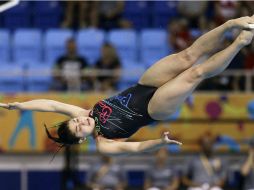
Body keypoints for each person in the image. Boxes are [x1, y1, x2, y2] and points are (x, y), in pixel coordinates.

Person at [1, 16, 254, 155]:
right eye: (78, 129)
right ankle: (240, 42)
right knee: (195, 73)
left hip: (143, 85)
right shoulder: (104, 144)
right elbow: (136, 148)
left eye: (75, 122)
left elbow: (51, 103)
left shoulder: (85, 114)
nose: (80, 122)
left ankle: (231, 24)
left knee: (186, 56)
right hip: (154, 109)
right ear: (81, 140)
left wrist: (20, 105)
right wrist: (160, 143)